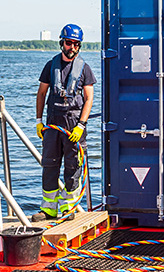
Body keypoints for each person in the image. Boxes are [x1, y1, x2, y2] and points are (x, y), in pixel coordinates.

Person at [32, 24, 96, 222]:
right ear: (62, 43)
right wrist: (39, 121)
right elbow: (42, 93)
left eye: (76, 44)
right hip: (52, 123)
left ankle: (69, 208)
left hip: (73, 125)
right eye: (69, 43)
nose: (72, 47)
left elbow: (89, 98)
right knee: (49, 165)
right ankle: (49, 209)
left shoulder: (84, 69)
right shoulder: (51, 66)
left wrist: (81, 125)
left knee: (73, 165)